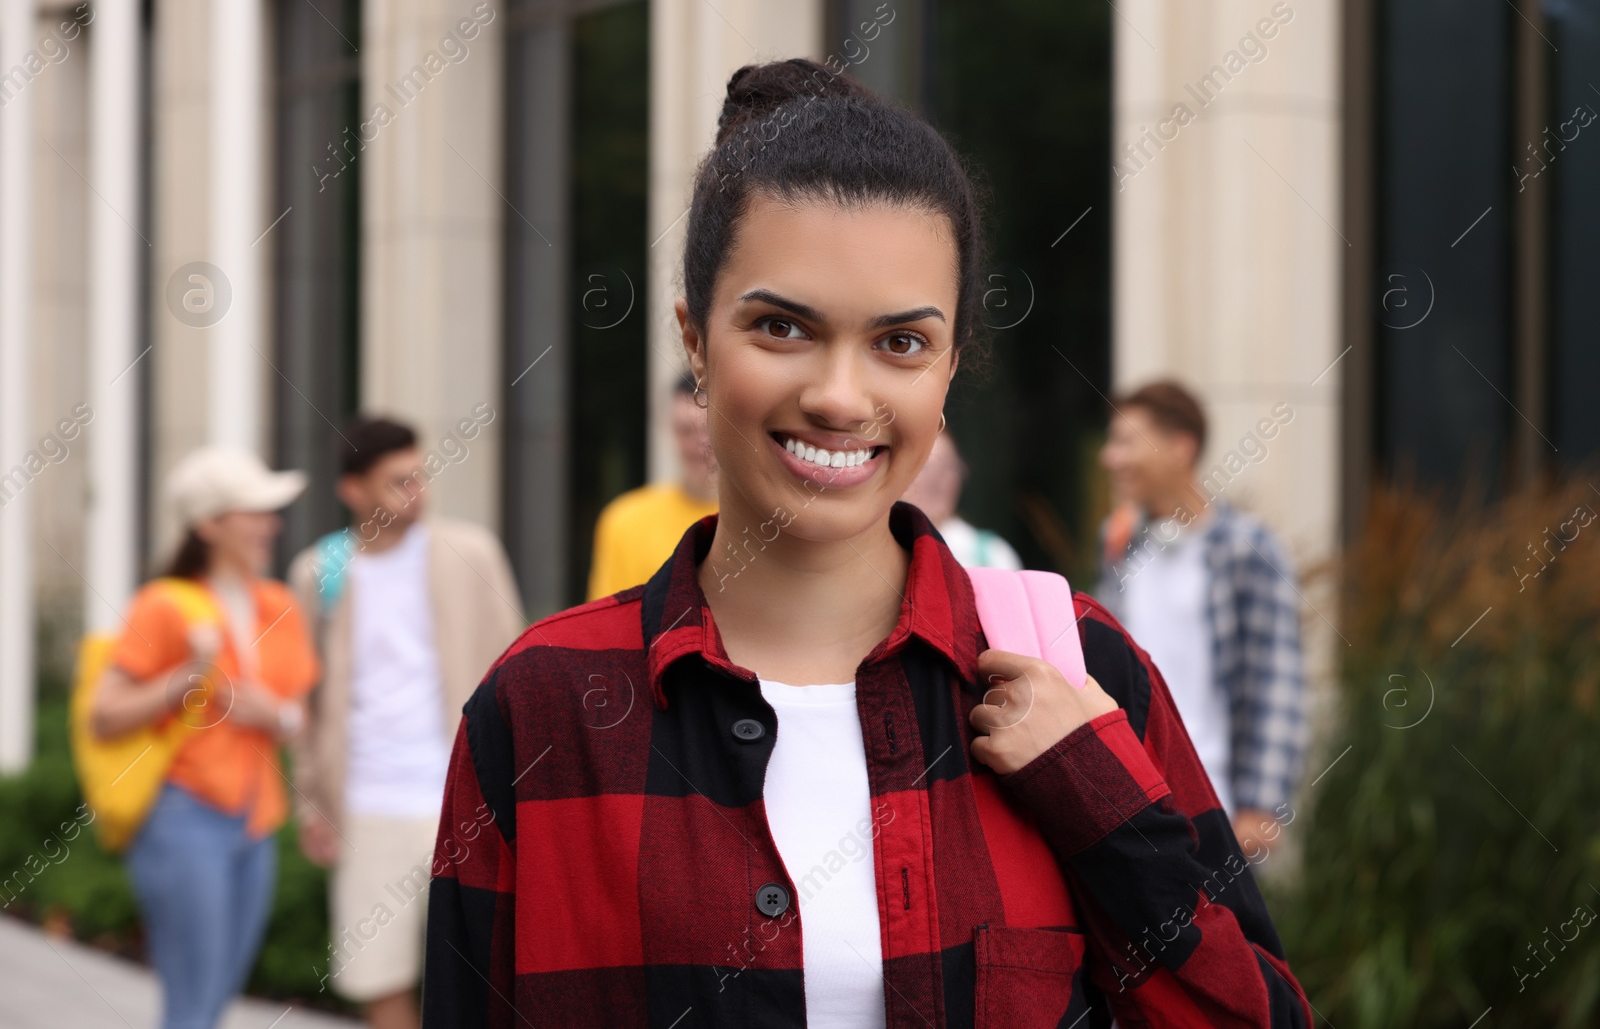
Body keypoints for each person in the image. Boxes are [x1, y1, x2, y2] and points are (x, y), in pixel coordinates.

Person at [425, 59, 1311, 1026]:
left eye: (900, 343)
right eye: (781, 327)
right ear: (693, 338)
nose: (843, 397)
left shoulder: (1087, 676)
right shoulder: (540, 710)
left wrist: (1097, 801)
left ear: (950, 367)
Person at [286, 416, 525, 1029]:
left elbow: (519, 674)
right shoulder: (321, 571)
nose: (416, 492)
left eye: (420, 477)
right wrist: (312, 801)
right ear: (353, 490)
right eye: (397, 482)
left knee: (485, 974)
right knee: (379, 977)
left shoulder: (470, 552)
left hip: (466, 800)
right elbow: (305, 699)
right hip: (367, 804)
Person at [91, 446, 320, 1029]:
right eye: (255, 510)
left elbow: (299, 717)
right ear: (209, 524)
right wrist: (183, 681)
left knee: (218, 993)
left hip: (256, 815)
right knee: (193, 998)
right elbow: (104, 714)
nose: (272, 523)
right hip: (183, 812)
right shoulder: (165, 604)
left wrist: (276, 717)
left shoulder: (279, 603)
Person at [1096, 379, 1307, 853]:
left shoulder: (1246, 547)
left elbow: (1278, 677)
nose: (1111, 458)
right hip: (1133, 797)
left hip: (1218, 806)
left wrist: (1260, 805)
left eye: (1127, 442)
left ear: (1180, 449)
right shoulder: (1120, 543)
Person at [586, 373, 718, 599]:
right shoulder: (624, 521)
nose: (699, 445)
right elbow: (609, 624)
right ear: (670, 431)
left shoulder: (760, 523)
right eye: (686, 430)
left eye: (709, 430)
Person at [901, 429, 1023, 569]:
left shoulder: (993, 555)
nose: (936, 481)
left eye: (948, 467)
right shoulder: (882, 554)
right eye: (925, 467)